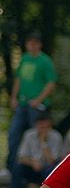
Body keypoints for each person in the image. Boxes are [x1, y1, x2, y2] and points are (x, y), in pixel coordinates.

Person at [7, 32, 58, 173]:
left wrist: (38, 100)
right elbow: (18, 79)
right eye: (29, 43)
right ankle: (11, 167)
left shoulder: (45, 61)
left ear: (39, 44)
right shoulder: (24, 58)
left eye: (34, 43)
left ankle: (42, 169)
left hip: (37, 106)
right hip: (22, 103)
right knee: (14, 134)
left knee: (38, 135)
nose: (31, 46)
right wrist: (14, 97)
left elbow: (51, 82)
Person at [10, 112, 63, 188]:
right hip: (32, 166)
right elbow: (21, 157)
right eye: (40, 126)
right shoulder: (29, 135)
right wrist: (32, 162)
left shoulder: (56, 137)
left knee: (52, 171)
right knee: (16, 168)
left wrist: (43, 142)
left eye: (46, 127)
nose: (43, 129)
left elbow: (52, 160)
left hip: (47, 168)